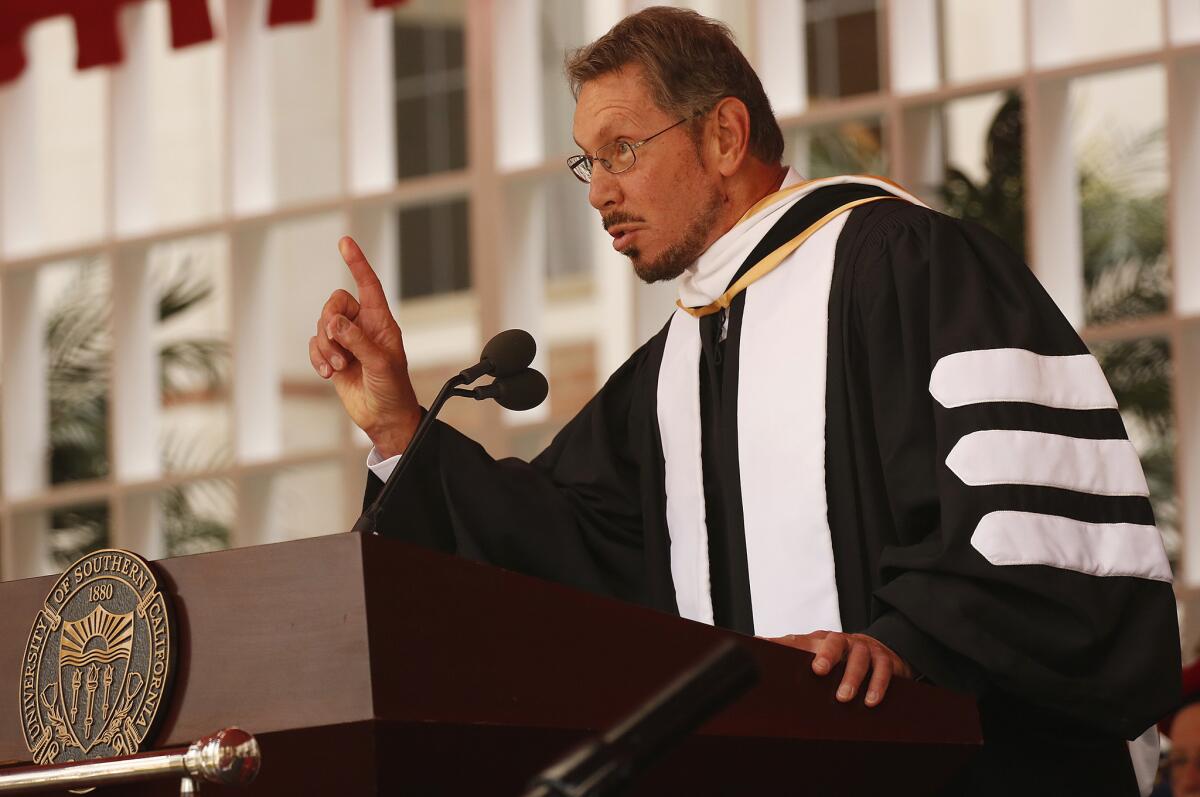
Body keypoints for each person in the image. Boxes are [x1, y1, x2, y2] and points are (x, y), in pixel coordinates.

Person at [309, 7, 1179, 794]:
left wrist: (909, 644)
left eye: (622, 150)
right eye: (588, 162)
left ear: (724, 134)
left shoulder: (908, 265)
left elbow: (1028, 519)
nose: (599, 191)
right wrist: (397, 425)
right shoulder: (671, 369)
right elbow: (557, 552)